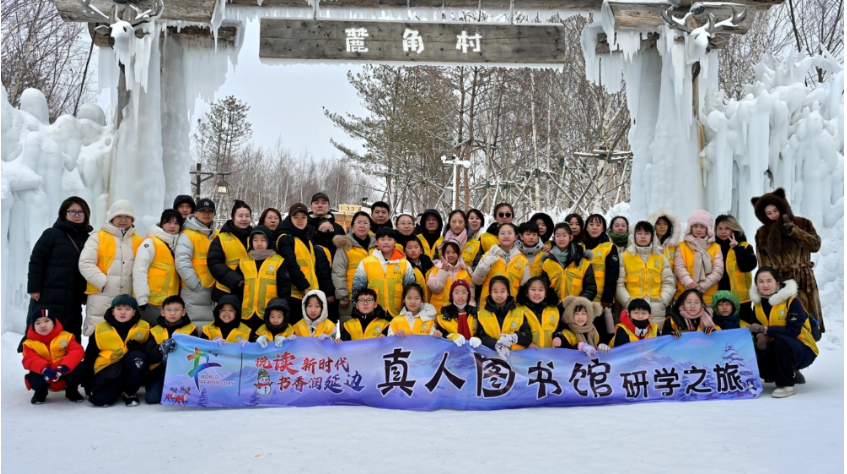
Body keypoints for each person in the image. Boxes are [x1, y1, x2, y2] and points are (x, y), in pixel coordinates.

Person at [750, 188, 824, 333]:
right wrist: (765, 284)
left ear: (782, 207)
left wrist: (795, 231)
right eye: (769, 213)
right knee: (782, 322)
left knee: (809, 322)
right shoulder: (762, 233)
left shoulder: (803, 223)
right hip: (779, 281)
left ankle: (809, 343)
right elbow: (763, 263)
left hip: (803, 279)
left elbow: (815, 246)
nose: (773, 215)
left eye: (775, 210)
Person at [27, 196, 92, 341]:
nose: (76, 215)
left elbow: (89, 268)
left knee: (69, 338)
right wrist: (34, 288)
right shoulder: (52, 234)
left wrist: (85, 294)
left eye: (81, 212)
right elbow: (37, 260)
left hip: (73, 298)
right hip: (48, 294)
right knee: (43, 336)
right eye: (72, 211)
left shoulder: (88, 239)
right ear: (64, 213)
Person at [749, 267, 818, 398]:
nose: (765, 285)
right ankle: (784, 372)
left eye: (769, 281)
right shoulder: (758, 303)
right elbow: (755, 323)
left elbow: (793, 330)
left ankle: (786, 385)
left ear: (777, 282)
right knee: (763, 369)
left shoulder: (792, 301)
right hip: (774, 348)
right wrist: (759, 335)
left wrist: (766, 329)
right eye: (761, 281)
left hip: (802, 348)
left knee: (781, 341)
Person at [79, 200, 144, 337]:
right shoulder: (98, 237)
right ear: (112, 217)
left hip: (127, 299)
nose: (123, 220)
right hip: (101, 296)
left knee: (124, 337)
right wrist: (104, 283)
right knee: (98, 335)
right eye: (119, 216)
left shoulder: (139, 240)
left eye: (127, 216)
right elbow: (85, 263)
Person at [84, 295, 150, 407]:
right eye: (119, 309)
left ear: (134, 312)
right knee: (101, 401)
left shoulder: (144, 327)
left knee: (138, 356)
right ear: (113, 311)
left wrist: (140, 347)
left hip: (131, 367)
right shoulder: (100, 329)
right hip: (108, 369)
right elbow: (90, 356)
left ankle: (129, 392)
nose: (123, 312)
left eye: (128, 309)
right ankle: (116, 388)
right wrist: (88, 382)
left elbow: (150, 350)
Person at [276, 203, 334, 325]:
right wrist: (304, 288)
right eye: (296, 217)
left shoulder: (306, 238)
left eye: (303, 217)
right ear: (290, 218)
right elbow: (291, 266)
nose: (300, 220)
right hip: (296, 295)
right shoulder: (285, 238)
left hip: (310, 294)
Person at [615, 221, 675, 327]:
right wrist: (628, 302)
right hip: (632, 308)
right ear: (634, 235)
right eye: (639, 233)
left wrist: (663, 301)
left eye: (647, 233)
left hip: (657, 308)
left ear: (652, 236)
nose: (643, 236)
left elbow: (668, 282)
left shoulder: (660, 258)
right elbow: (618, 284)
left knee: (656, 335)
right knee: (632, 335)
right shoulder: (624, 257)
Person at [21, 307, 85, 404]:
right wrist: (44, 369)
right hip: (45, 375)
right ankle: (40, 392)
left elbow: (77, 351)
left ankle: (71, 391)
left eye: (46, 321)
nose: (43, 325)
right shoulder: (29, 344)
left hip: (63, 373)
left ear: (54, 322)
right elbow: (30, 359)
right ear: (33, 326)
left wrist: (65, 366)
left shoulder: (66, 336)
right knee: (34, 376)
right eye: (38, 323)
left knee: (81, 367)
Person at [142, 295, 198, 405]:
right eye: (169, 310)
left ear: (183, 312)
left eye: (177, 310)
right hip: (159, 371)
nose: (172, 313)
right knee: (152, 399)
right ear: (162, 312)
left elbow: (196, 353)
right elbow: (149, 356)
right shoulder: (154, 330)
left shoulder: (191, 330)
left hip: (181, 372)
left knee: (186, 398)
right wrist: (160, 349)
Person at [352, 227, 416, 317]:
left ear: (395, 242)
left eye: (389, 239)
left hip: (399, 314)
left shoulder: (404, 262)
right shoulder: (366, 262)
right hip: (373, 313)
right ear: (377, 242)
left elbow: (411, 289)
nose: (386, 242)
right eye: (382, 239)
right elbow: (358, 289)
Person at [133, 209, 183, 324]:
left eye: (176, 223)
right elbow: (140, 269)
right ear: (162, 223)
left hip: (167, 304)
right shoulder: (151, 242)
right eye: (168, 222)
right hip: (149, 302)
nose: (172, 226)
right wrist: (141, 298)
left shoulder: (175, 246)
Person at [176, 198, 217, 326]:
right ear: (195, 213)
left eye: (210, 211)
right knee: (193, 324)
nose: (206, 214)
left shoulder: (217, 234)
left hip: (213, 288)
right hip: (194, 289)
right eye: (203, 211)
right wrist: (195, 285)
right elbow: (182, 262)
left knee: (211, 326)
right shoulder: (187, 235)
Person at [239, 226, 287, 331]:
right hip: (247, 314)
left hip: (270, 315)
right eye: (255, 240)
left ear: (269, 240)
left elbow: (284, 289)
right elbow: (237, 289)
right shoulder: (243, 262)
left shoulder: (278, 261)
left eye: (263, 240)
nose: (259, 243)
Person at [582, 214, 620, 339]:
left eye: (598, 225)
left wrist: (608, 298)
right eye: (591, 224)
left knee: (603, 335)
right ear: (586, 227)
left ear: (603, 228)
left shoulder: (609, 247)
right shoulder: (580, 247)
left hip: (602, 302)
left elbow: (612, 275)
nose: (594, 228)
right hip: (582, 299)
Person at [472, 223, 530, 305]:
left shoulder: (523, 260)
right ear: (497, 237)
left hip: (513, 307)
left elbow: (526, 288)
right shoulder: (489, 255)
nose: (506, 236)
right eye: (502, 233)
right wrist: (485, 265)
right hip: (488, 306)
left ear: (515, 237)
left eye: (509, 233)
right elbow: (476, 281)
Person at [674, 210, 724, 305]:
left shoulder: (715, 247)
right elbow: (679, 267)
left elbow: (718, 271)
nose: (698, 229)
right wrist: (690, 283)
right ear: (690, 228)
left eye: (702, 226)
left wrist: (701, 286)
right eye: (695, 226)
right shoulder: (682, 246)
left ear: (708, 229)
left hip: (707, 298)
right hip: (684, 296)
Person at [714, 215, 757, 324]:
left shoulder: (745, 246)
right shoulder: (714, 248)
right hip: (719, 296)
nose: (723, 232)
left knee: (744, 326)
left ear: (734, 229)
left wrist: (737, 248)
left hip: (740, 298)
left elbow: (748, 266)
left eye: (727, 228)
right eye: (720, 228)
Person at [332, 211, 375, 321]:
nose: (362, 226)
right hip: (351, 297)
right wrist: (342, 295)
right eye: (359, 222)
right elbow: (338, 272)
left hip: (374, 296)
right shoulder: (345, 246)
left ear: (370, 226)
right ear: (352, 226)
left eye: (365, 223)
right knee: (350, 326)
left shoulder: (376, 245)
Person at [207, 200, 253, 302]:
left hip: (251, 291)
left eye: (247, 216)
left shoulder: (256, 237)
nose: (244, 219)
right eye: (240, 216)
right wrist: (235, 279)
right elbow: (214, 262)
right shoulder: (221, 238)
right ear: (233, 217)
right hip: (226, 291)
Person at [475, 276, 531, 358]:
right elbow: (480, 337)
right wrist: (496, 344)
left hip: (516, 359)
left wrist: (514, 337)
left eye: (503, 291)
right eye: (495, 291)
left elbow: (528, 336)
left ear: (508, 292)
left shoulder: (519, 313)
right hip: (491, 359)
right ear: (490, 293)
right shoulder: (481, 315)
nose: (499, 295)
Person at [541, 223, 596, 304]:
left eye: (564, 235)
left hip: (576, 309)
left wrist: (578, 304)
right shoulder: (547, 263)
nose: (561, 239)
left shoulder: (583, 262)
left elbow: (591, 288)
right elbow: (543, 288)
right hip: (554, 308)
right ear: (554, 238)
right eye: (558, 236)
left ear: (570, 237)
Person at [427, 240, 474, 313]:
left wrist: (471, 306)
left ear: (458, 254)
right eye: (447, 252)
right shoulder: (435, 269)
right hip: (438, 311)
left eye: (454, 252)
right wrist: (443, 271)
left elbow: (471, 291)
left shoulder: (465, 271)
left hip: (458, 312)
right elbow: (435, 288)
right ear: (443, 254)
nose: (451, 255)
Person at [517, 277, 562, 348]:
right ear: (527, 293)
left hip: (551, 353)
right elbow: (515, 334)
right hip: (528, 353)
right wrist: (526, 344)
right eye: (533, 289)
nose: (537, 293)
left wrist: (559, 337)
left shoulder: (554, 310)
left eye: (541, 290)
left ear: (546, 293)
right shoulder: (519, 311)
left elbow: (560, 330)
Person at [434, 279, 479, 347]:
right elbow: (440, 337)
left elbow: (482, 333)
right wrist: (451, 336)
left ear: (468, 296)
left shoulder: (475, 314)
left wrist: (477, 338)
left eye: (464, 292)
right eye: (457, 293)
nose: (460, 296)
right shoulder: (443, 318)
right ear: (452, 296)